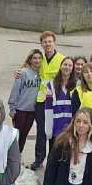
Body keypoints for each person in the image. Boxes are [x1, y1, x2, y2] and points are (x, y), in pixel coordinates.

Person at [32, 31, 66, 171]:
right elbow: (28, 67)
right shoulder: (39, 58)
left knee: (55, 129)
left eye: (49, 41)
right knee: (41, 131)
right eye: (44, 42)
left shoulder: (62, 59)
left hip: (56, 99)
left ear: (54, 42)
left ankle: (54, 158)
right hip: (41, 99)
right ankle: (39, 159)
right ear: (41, 44)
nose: (47, 44)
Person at [9, 49, 43, 156]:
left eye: (39, 58)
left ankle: (18, 156)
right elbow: (15, 90)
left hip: (32, 111)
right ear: (30, 60)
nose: (37, 60)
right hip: (20, 110)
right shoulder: (23, 72)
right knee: (16, 135)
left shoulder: (42, 74)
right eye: (34, 58)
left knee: (24, 135)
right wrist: (12, 108)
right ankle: (10, 157)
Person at [45, 57, 79, 150]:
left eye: (70, 65)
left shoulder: (77, 85)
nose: (67, 67)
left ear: (72, 68)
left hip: (71, 127)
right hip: (56, 127)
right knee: (54, 154)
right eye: (65, 64)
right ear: (60, 66)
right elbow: (48, 109)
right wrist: (48, 129)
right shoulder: (51, 85)